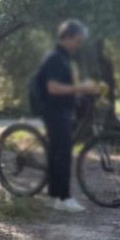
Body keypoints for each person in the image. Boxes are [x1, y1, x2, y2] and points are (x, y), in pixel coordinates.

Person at [35, 20, 99, 213]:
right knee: (62, 153)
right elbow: (53, 87)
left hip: (62, 110)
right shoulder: (55, 58)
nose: (77, 45)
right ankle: (63, 198)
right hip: (54, 111)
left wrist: (82, 93)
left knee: (59, 153)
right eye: (76, 41)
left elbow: (66, 87)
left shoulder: (63, 58)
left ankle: (55, 197)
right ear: (66, 37)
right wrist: (81, 88)